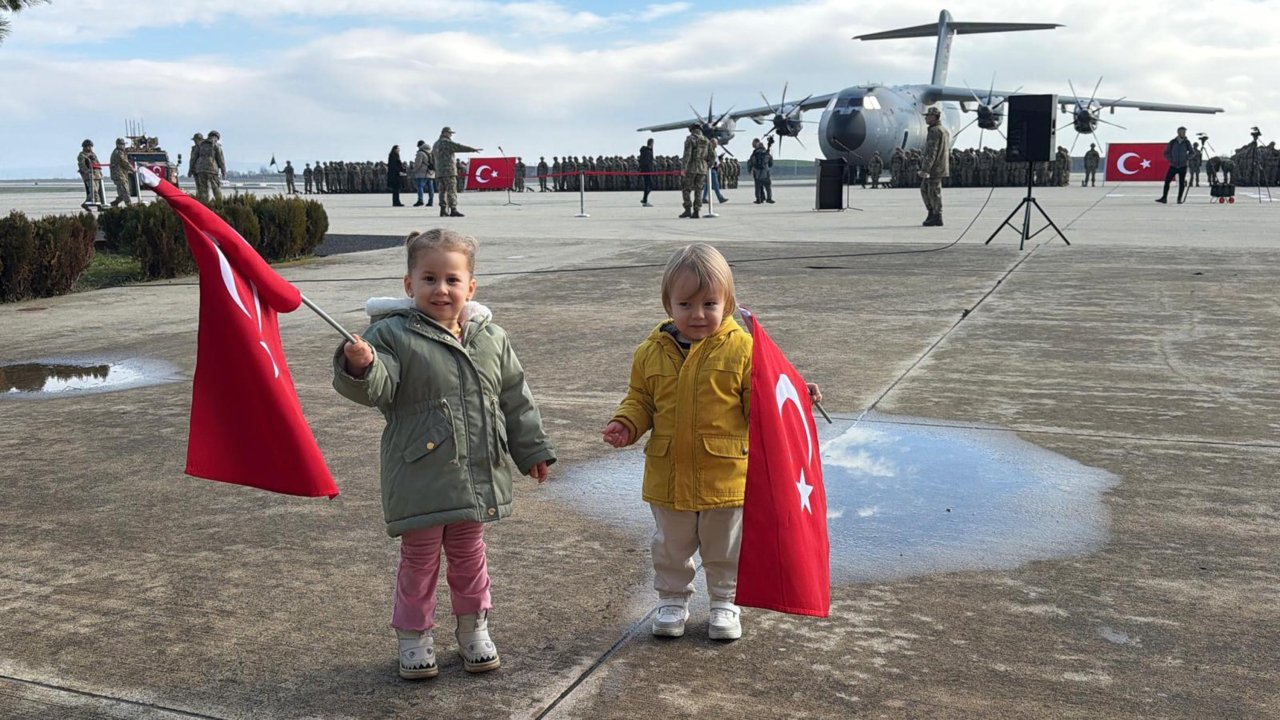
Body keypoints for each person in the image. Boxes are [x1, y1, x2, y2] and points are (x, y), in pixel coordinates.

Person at [334, 228, 556, 680]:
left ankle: (474, 628)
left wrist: (531, 449)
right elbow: (382, 388)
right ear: (408, 285)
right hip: (420, 472)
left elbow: (515, 396)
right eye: (429, 279)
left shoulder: (490, 337)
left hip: (476, 470)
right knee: (419, 558)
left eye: (453, 280)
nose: (441, 289)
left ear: (471, 287)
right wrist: (362, 364)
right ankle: (414, 635)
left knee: (470, 553)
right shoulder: (391, 335)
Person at [602, 243, 819, 642]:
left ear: (729, 303)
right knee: (670, 547)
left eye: (709, 303)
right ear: (668, 304)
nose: (697, 315)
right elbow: (640, 400)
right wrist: (626, 423)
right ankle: (672, 600)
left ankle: (724, 601)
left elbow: (764, 407)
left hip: (726, 477)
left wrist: (794, 398)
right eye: (685, 304)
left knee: (724, 548)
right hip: (668, 475)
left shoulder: (743, 350)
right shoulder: (650, 352)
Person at [918, 106, 950, 226]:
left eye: (928, 116)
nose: (926, 118)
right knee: (926, 189)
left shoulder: (934, 131)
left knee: (933, 192)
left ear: (934, 117)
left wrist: (925, 169)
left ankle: (937, 215)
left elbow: (932, 152)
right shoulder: (943, 130)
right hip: (939, 166)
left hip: (934, 168)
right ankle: (932, 213)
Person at [679, 125, 709, 218]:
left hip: (691, 168)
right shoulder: (706, 140)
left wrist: (683, 168)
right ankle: (696, 211)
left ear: (692, 130)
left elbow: (687, 154)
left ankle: (688, 209)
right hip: (702, 169)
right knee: (698, 190)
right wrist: (707, 166)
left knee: (686, 188)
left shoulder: (690, 139)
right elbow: (712, 155)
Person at [1157, 126, 1193, 204]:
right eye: (1182, 132)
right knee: (1167, 181)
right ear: (1178, 132)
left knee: (1181, 183)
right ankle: (1164, 198)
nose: (1184, 133)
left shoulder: (1187, 142)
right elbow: (1166, 153)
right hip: (1173, 165)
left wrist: (1187, 158)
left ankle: (1179, 199)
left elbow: (1192, 152)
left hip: (1183, 165)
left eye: (1185, 132)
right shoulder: (1173, 142)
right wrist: (1171, 159)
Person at [195, 131, 226, 202]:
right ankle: (219, 204)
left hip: (200, 169)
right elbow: (221, 159)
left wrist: (192, 169)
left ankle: (205, 205)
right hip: (212, 169)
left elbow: (194, 157)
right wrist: (223, 171)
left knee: (203, 190)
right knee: (216, 188)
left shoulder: (201, 144)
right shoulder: (216, 145)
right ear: (216, 137)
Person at [76, 139, 103, 210]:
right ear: (85, 147)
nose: (90, 148)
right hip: (89, 176)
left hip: (96, 175)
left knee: (95, 191)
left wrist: (100, 173)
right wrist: (88, 172)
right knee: (94, 190)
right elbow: (82, 166)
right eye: (88, 146)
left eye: (91, 146)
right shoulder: (81, 155)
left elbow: (97, 164)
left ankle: (85, 204)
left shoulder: (93, 154)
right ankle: (99, 206)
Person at [108, 138, 134, 207]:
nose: (123, 146)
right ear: (117, 145)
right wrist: (132, 169)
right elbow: (124, 162)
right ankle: (129, 205)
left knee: (122, 193)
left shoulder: (120, 152)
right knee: (125, 190)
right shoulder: (118, 153)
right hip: (119, 175)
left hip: (121, 174)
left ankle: (115, 203)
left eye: (123, 144)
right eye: (121, 144)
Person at [747, 137, 774, 203]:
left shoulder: (754, 154)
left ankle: (758, 199)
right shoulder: (766, 153)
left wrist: (750, 170)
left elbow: (751, 163)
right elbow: (771, 163)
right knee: (768, 187)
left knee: (757, 187)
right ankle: (769, 198)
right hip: (766, 173)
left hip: (757, 173)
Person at [702, 141, 729, 205]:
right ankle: (720, 198)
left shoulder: (713, 151)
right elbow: (708, 159)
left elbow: (714, 159)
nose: (717, 145)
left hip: (712, 169)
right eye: (716, 143)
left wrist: (720, 157)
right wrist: (712, 164)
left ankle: (704, 198)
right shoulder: (709, 151)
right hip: (711, 169)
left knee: (707, 185)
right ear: (712, 143)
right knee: (716, 185)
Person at [410, 140, 434, 207]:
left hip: (422, 173)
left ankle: (420, 200)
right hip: (431, 172)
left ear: (419, 146)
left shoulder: (420, 153)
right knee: (430, 188)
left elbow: (418, 164)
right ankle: (430, 201)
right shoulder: (431, 152)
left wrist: (414, 170)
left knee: (420, 187)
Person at [639, 138, 656, 207]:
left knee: (647, 185)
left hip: (644, 170)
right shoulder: (647, 152)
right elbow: (647, 161)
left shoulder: (645, 150)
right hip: (647, 170)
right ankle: (645, 200)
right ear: (651, 143)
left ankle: (644, 199)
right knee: (650, 185)